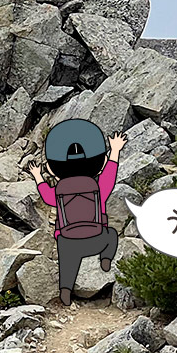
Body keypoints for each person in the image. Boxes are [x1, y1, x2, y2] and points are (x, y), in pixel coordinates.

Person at [29, 118, 124, 305]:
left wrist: (39, 177)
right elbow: (109, 176)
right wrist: (115, 151)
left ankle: (65, 290)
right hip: (96, 237)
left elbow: (47, 197)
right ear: (100, 162)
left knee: (67, 264)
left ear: (52, 168)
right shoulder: (98, 186)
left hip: (68, 240)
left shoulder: (58, 190)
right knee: (112, 235)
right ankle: (105, 259)